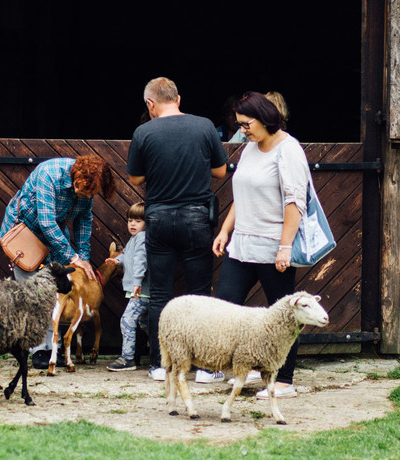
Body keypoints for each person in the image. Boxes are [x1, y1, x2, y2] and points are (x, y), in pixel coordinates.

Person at [126, 77, 229, 382]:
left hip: (158, 219)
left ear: (150, 104)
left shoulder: (144, 132)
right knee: (199, 294)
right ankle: (207, 368)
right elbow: (220, 171)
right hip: (197, 218)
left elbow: (135, 179)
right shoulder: (204, 126)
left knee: (160, 293)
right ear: (178, 99)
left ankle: (160, 365)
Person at [212, 91, 309, 399]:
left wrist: (285, 247)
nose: (242, 130)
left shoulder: (288, 150)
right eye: (239, 124)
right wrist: (225, 231)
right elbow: (242, 195)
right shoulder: (251, 148)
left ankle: (284, 381)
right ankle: (252, 365)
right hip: (242, 245)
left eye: (246, 123)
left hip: (272, 247)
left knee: (283, 316)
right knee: (227, 305)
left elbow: (295, 202)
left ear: (265, 119)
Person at [0, 154, 115, 369]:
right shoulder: (49, 174)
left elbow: (83, 221)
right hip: (24, 233)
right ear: (76, 176)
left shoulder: (89, 188)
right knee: (34, 293)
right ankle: (37, 350)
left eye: (90, 193)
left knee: (56, 291)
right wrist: (73, 257)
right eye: (81, 190)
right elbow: (46, 221)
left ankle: (54, 347)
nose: (84, 195)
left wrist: (83, 259)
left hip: (54, 239)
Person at [104, 202, 147, 371]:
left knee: (127, 320)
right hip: (139, 290)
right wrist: (118, 261)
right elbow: (127, 256)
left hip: (141, 290)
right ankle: (166, 352)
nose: (132, 224)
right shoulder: (134, 240)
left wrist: (137, 282)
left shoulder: (142, 238)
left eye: (138, 221)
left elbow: (141, 262)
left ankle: (127, 358)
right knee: (145, 323)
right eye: (130, 220)